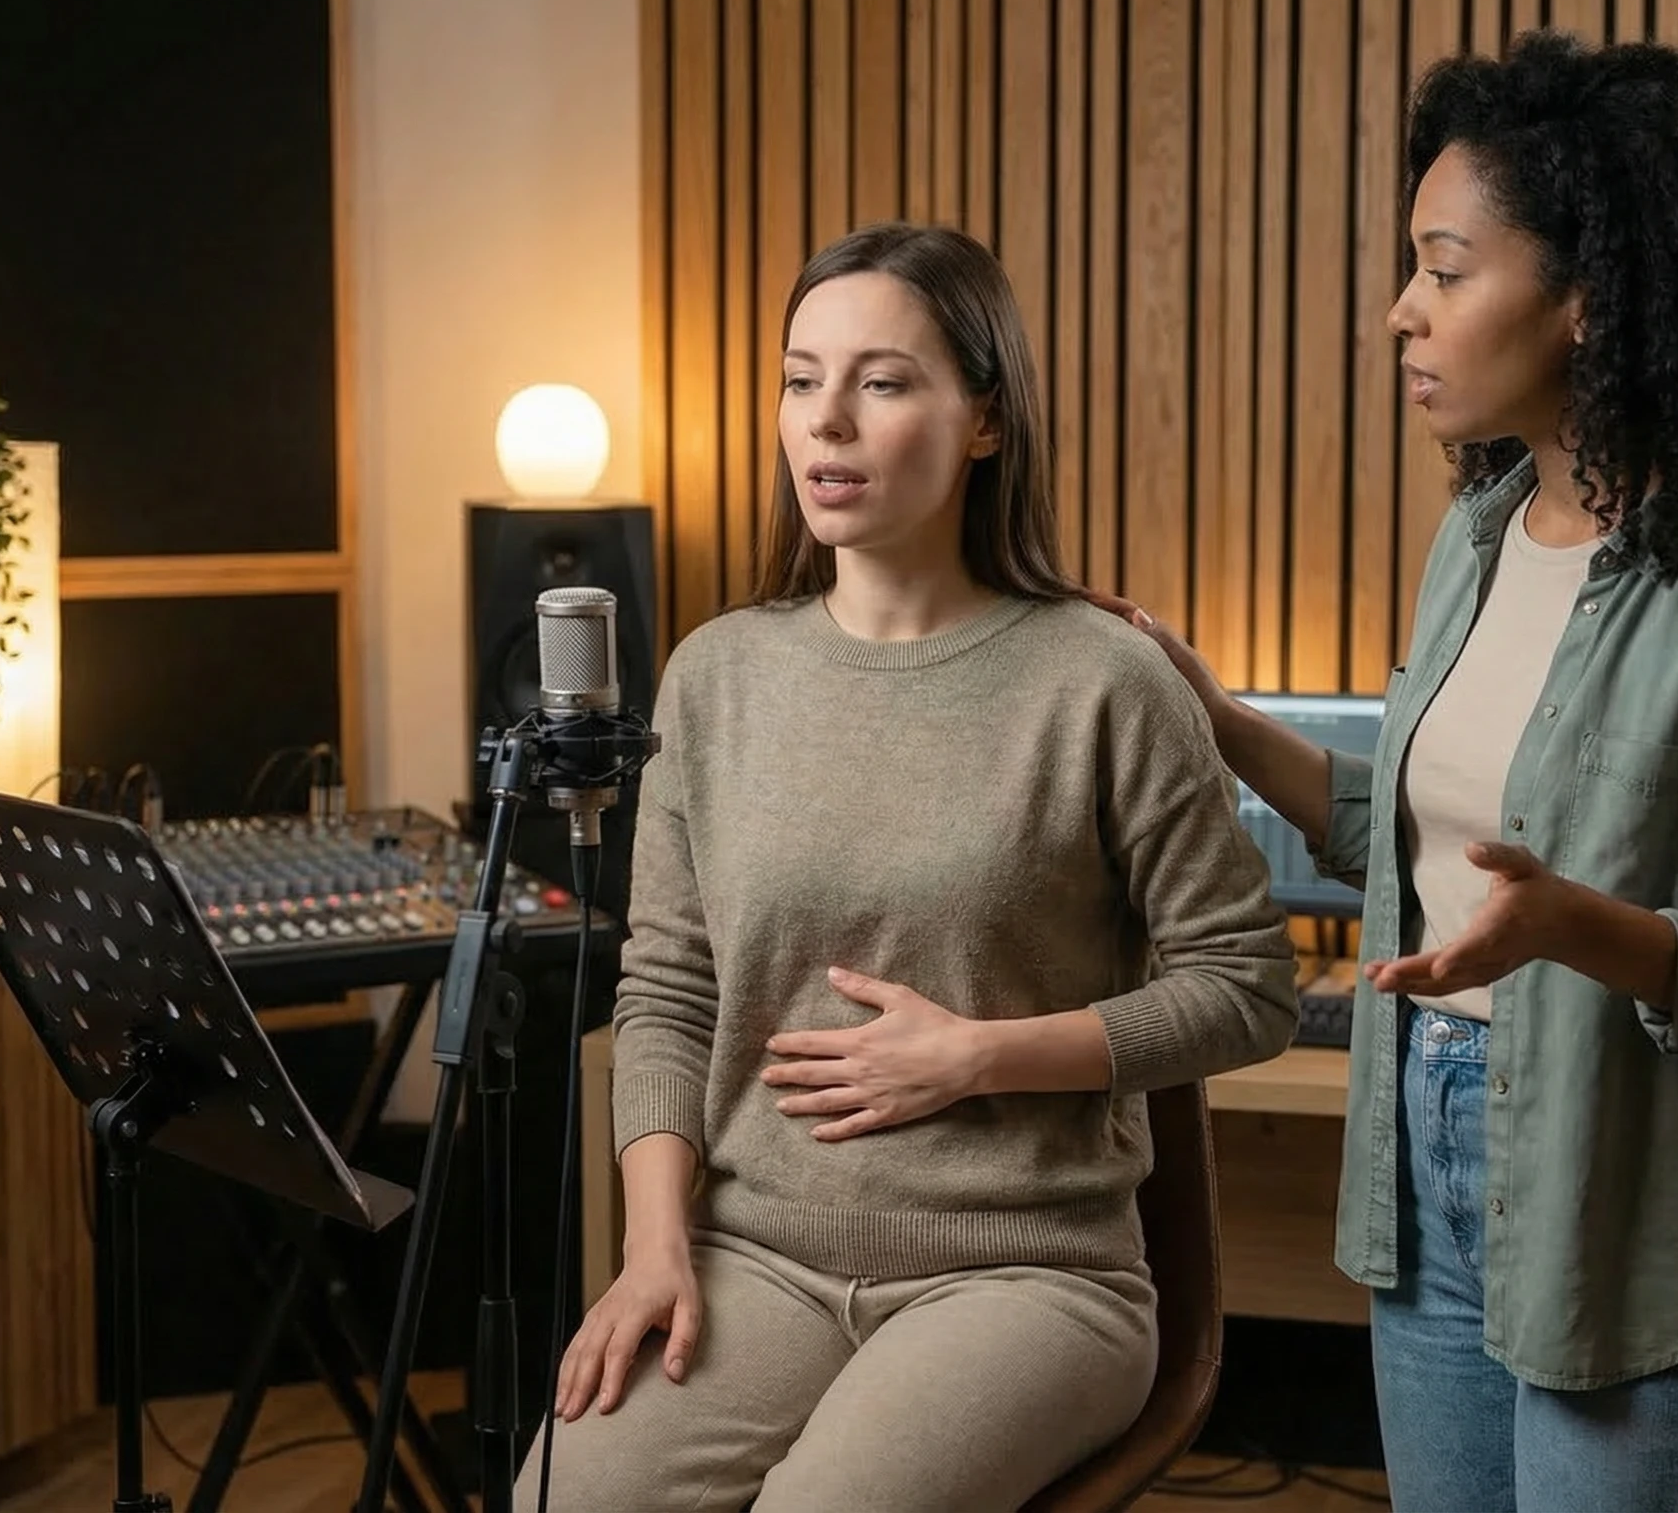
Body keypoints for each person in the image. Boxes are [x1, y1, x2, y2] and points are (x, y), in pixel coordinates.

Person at [1095, 32, 1678, 1513]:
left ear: (1588, 297)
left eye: (1446, 270)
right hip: (1429, 1172)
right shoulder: (1475, 538)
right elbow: (1404, 843)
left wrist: (1581, 930)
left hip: (1645, 1221)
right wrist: (1215, 715)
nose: (1403, 311)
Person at [522, 221, 1300, 1513]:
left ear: (984, 421)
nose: (825, 422)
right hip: (757, 1255)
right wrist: (654, 1245)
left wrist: (980, 1055)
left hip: (1027, 1273)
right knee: (563, 1501)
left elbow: (1250, 987)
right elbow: (666, 990)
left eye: (881, 383)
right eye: (799, 378)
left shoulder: (1101, 681)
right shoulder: (716, 675)